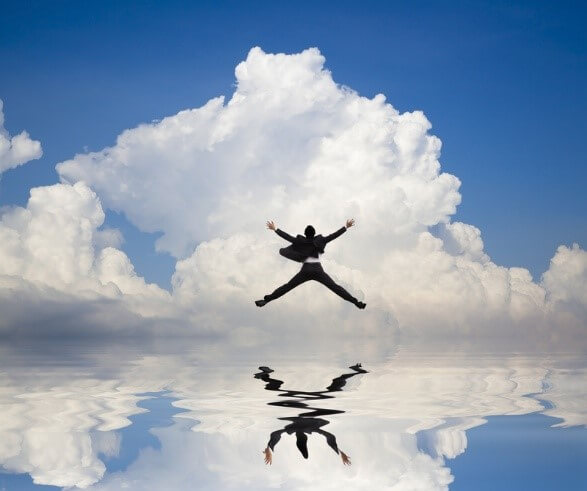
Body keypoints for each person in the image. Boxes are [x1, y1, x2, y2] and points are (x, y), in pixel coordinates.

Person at [255, 219, 366, 309]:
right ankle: (356, 302)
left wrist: (275, 229)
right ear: (314, 233)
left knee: (287, 286)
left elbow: (287, 237)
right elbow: (333, 236)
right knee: (335, 287)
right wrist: (345, 227)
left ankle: (266, 300)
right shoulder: (321, 241)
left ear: (305, 234)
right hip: (318, 270)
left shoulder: (300, 241)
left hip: (306, 270)